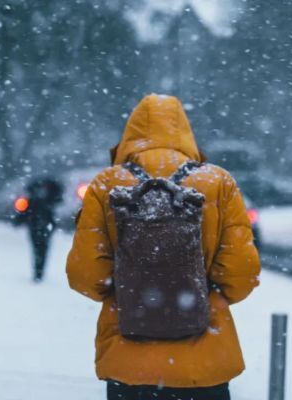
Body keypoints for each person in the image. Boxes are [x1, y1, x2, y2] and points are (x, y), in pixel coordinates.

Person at [66, 94, 260, 400]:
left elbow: (85, 275)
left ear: (130, 134)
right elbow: (242, 273)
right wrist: (200, 295)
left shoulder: (107, 185)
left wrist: (131, 291)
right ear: (185, 133)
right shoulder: (218, 182)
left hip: (128, 365)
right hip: (205, 364)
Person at [15, 177, 63, 282]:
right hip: (43, 227)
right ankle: (39, 271)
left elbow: (24, 212)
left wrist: (19, 221)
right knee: (42, 249)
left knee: (38, 249)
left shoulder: (34, 198)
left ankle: (38, 270)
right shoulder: (49, 199)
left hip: (37, 226)